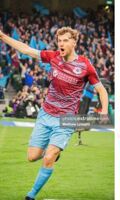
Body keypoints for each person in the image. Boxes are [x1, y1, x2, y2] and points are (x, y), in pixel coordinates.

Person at [0, 27, 109, 200]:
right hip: (45, 115)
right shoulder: (53, 57)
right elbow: (26, 49)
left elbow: (101, 91)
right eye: (59, 41)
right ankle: (54, 152)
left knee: (49, 157)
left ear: (74, 42)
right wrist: (2, 36)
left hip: (66, 119)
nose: (61, 44)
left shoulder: (85, 66)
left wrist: (103, 112)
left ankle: (31, 195)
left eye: (65, 40)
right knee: (32, 157)